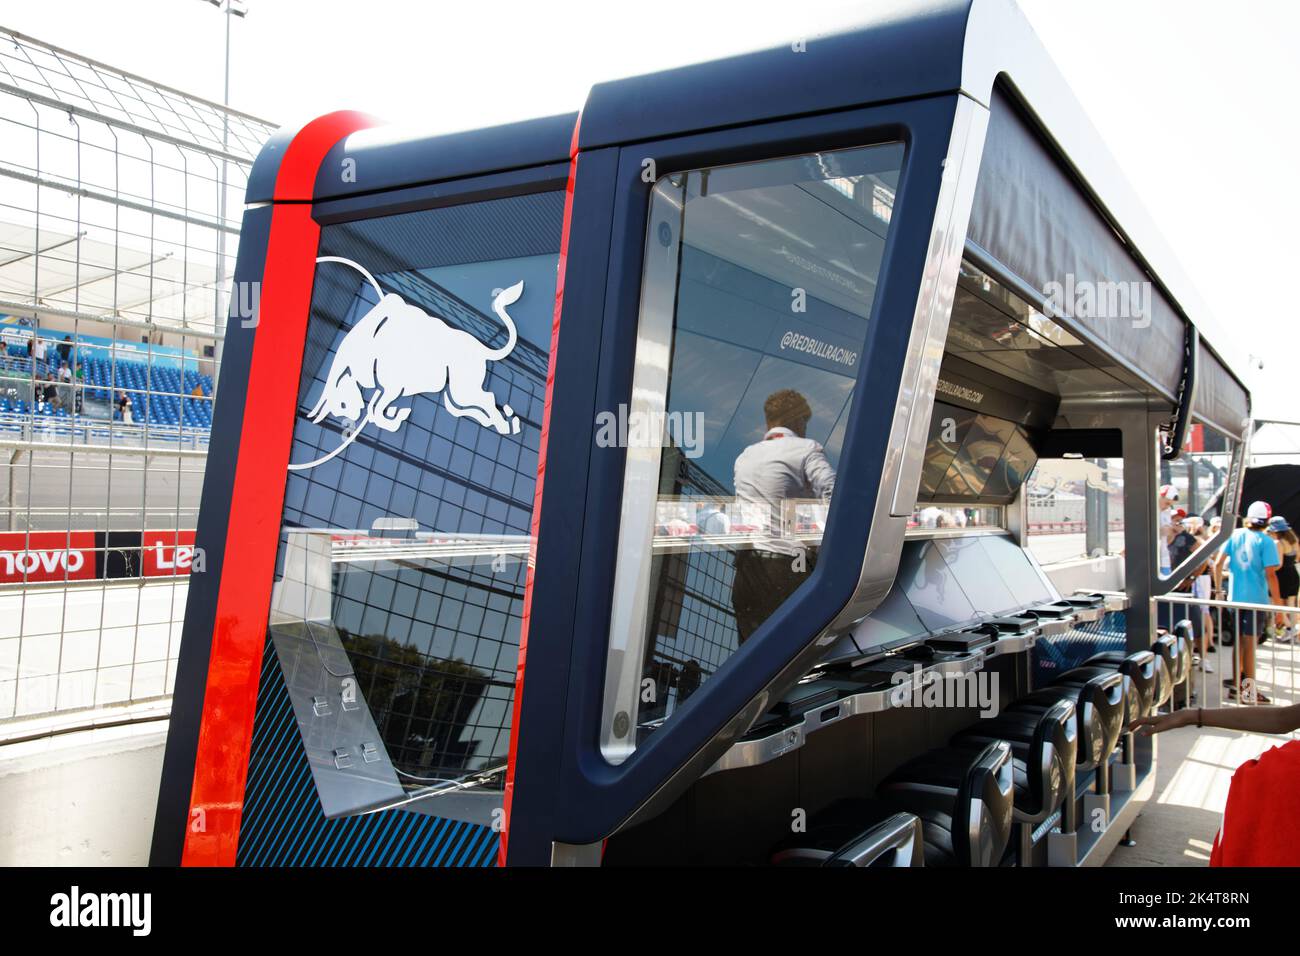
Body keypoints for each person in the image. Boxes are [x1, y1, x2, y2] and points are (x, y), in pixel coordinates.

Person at [730, 389, 836, 643]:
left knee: (752, 658)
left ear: (768, 421)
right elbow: (833, 489)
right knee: (796, 653)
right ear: (799, 421)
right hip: (787, 568)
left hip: (746, 572)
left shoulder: (745, 456)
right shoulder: (806, 448)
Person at [1214, 501, 1281, 703]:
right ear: (1267, 520)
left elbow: (1217, 564)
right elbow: (1271, 574)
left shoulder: (1235, 535)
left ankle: (1237, 686)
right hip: (1256, 600)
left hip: (1235, 598)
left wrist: (1218, 591)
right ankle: (1248, 692)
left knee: (1239, 644)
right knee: (1250, 645)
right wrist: (1279, 607)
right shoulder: (1266, 541)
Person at [1267, 515, 1299, 641]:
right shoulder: (1294, 540)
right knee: (1291, 605)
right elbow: (1297, 557)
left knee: (1277, 604)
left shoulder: (1278, 543)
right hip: (1293, 574)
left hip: (1282, 576)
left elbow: (1278, 565)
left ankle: (1291, 628)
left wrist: (1266, 570)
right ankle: (1290, 631)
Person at [1157, 483, 1180, 575]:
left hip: (1164, 560)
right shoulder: (1147, 510)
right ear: (1159, 497)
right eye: (1167, 503)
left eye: (1170, 505)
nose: (1167, 506)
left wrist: (1173, 532)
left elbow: (1167, 541)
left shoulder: (1166, 512)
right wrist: (1160, 532)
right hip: (1149, 560)